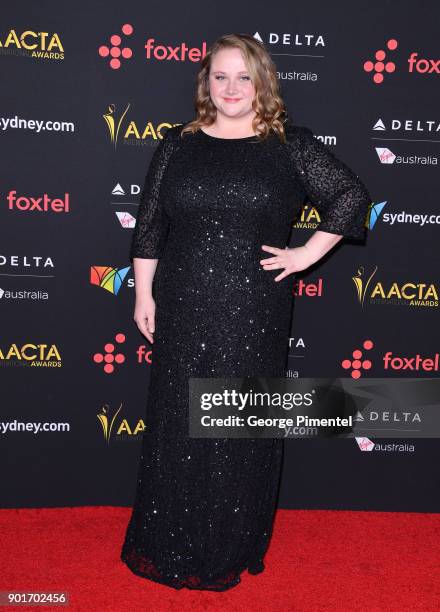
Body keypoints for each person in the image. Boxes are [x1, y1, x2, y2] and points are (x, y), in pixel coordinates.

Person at [120, 33, 371, 591]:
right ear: (205, 83)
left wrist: (308, 252)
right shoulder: (177, 145)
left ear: (262, 82)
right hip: (182, 303)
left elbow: (351, 195)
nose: (231, 88)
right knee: (179, 420)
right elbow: (150, 226)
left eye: (243, 76)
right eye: (220, 76)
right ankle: (171, 538)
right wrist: (143, 294)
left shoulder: (288, 144)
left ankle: (229, 542)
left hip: (252, 309)